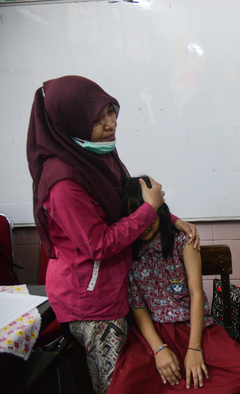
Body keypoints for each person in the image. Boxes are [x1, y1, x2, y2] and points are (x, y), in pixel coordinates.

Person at [26, 75, 198, 394]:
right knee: (114, 385)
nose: (110, 124)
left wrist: (168, 217)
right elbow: (99, 243)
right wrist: (150, 210)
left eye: (111, 111)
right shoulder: (62, 183)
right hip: (90, 301)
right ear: (71, 122)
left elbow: (126, 197)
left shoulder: (95, 155)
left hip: (112, 287)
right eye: (98, 118)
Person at [107, 177, 240, 394]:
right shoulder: (128, 252)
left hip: (193, 328)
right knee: (123, 388)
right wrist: (159, 350)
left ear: (159, 212)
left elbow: (196, 294)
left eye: (149, 217)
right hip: (153, 333)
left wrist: (194, 348)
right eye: (137, 218)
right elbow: (138, 307)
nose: (144, 225)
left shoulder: (183, 242)